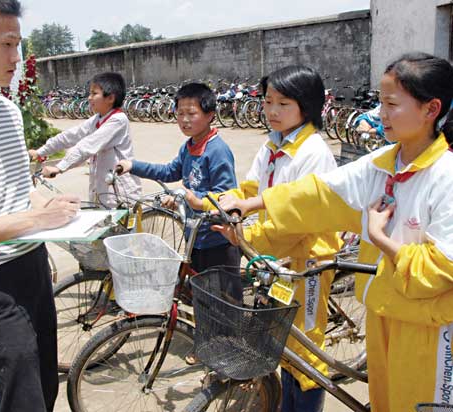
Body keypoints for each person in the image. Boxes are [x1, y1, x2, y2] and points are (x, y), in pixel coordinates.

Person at [213, 52, 453, 412]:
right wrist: (253, 205)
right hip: (382, 309)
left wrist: (381, 238)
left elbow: (441, 270)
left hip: (427, 327)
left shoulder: (445, 175)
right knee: (386, 402)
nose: (380, 115)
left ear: (430, 109)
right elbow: (320, 192)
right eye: (380, 102)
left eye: (391, 104)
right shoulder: (382, 164)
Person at [186, 66, 341, 412]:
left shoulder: (313, 152)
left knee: (307, 350)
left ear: (306, 106)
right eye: (268, 101)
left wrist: (247, 234)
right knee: (279, 340)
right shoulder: (272, 144)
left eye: (283, 103)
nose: (272, 111)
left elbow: (301, 219)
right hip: (274, 259)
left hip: (308, 263)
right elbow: (251, 190)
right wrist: (221, 202)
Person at [0, 1, 80, 411]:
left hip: (34, 264)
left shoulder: (8, 112)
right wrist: (35, 218)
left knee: (44, 388)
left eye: (19, 45)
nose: (16, 58)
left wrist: (51, 203)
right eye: (7, 44)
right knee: (22, 398)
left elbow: (17, 187)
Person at [116, 82, 240, 276]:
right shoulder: (188, 146)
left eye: (191, 114)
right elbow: (169, 171)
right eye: (180, 113)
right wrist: (133, 166)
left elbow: (226, 195)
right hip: (194, 236)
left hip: (217, 239)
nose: (184, 120)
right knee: (199, 293)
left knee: (221, 299)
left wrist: (186, 197)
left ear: (210, 115)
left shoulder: (217, 151)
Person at [28, 72, 142, 208]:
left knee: (123, 229)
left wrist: (59, 167)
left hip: (120, 193)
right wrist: (40, 152)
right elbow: (70, 136)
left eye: (94, 94)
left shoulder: (118, 120)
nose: (89, 98)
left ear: (110, 98)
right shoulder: (97, 119)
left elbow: (87, 146)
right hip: (103, 191)